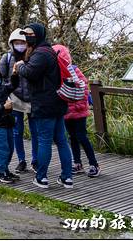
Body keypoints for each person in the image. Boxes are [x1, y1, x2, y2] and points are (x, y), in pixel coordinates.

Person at [14, 23, 74, 189]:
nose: (27, 37)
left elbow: (31, 73)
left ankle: (41, 177)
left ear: (38, 34)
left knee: (45, 141)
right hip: (57, 102)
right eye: (25, 34)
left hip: (44, 104)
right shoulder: (49, 51)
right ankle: (67, 177)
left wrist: (20, 66)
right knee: (61, 140)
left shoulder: (40, 53)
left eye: (30, 34)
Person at [54, 44, 99, 177]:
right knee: (72, 137)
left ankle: (94, 163)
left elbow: (83, 88)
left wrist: (78, 105)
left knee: (81, 137)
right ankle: (77, 163)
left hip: (78, 112)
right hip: (67, 113)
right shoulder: (57, 73)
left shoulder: (73, 70)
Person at [0, 28, 36, 173]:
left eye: (23, 42)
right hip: (14, 98)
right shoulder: (7, 58)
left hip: (32, 99)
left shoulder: (33, 56)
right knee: (17, 131)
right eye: (17, 42)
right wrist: (5, 96)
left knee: (35, 131)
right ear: (12, 43)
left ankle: (35, 160)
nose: (20, 45)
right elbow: (1, 78)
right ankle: (21, 160)